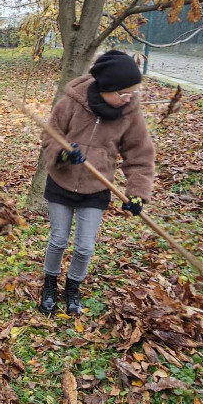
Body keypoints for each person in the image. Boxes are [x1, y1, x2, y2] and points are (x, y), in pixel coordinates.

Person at [37, 50, 155, 314]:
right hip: (62, 182)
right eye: (123, 93)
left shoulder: (129, 114)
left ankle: (73, 288)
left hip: (96, 188)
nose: (128, 98)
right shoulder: (71, 102)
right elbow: (50, 137)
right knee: (58, 240)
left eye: (132, 93)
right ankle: (49, 284)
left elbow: (140, 156)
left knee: (84, 246)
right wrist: (63, 153)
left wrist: (137, 192)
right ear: (106, 87)